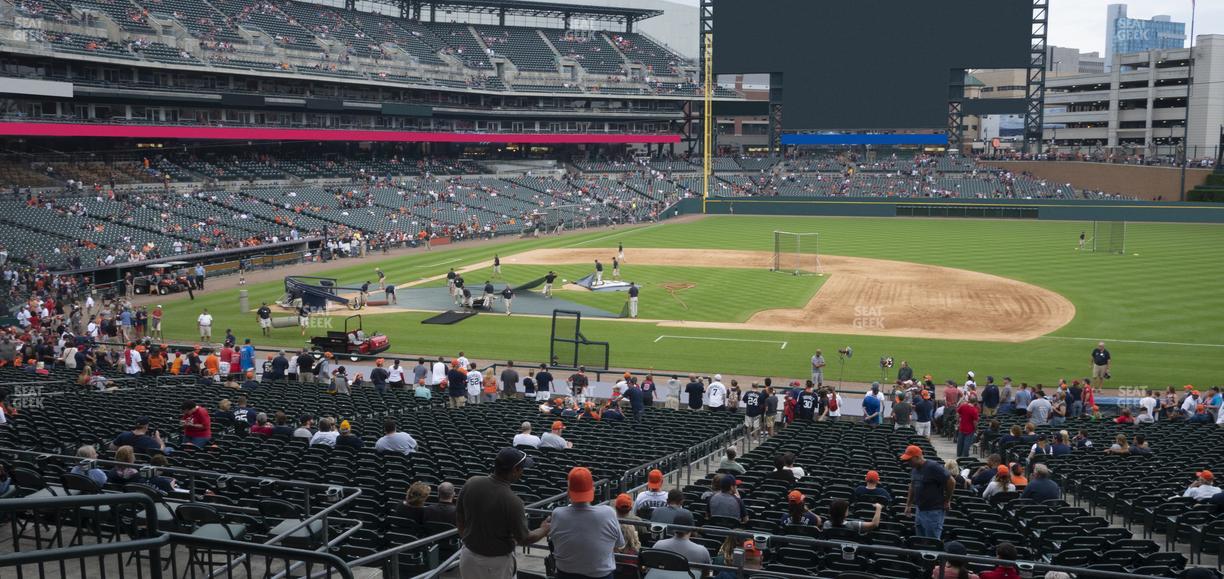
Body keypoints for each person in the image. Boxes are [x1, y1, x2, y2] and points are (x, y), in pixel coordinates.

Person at [457, 448, 551, 578]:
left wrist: (469, 541)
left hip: (468, 557)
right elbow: (524, 538)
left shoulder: (471, 482)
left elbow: (459, 516)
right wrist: (544, 529)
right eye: (521, 468)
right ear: (515, 470)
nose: (522, 472)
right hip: (496, 565)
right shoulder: (513, 501)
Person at [549, 466, 624, 579]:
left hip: (565, 575)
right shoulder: (608, 512)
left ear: (568, 491)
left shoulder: (557, 514)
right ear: (592, 489)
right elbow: (619, 543)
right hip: (601, 576)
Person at [901, 445, 953, 539]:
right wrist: (908, 505)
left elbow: (951, 481)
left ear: (917, 457)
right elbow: (912, 485)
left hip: (933, 511)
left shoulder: (933, 467)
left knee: (932, 541)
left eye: (909, 460)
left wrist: (947, 500)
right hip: (920, 509)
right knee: (920, 540)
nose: (908, 462)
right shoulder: (914, 469)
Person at [648, 510, 710, 576]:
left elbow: (650, 568)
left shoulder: (658, 545)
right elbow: (706, 575)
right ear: (692, 528)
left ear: (673, 527)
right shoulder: (702, 551)